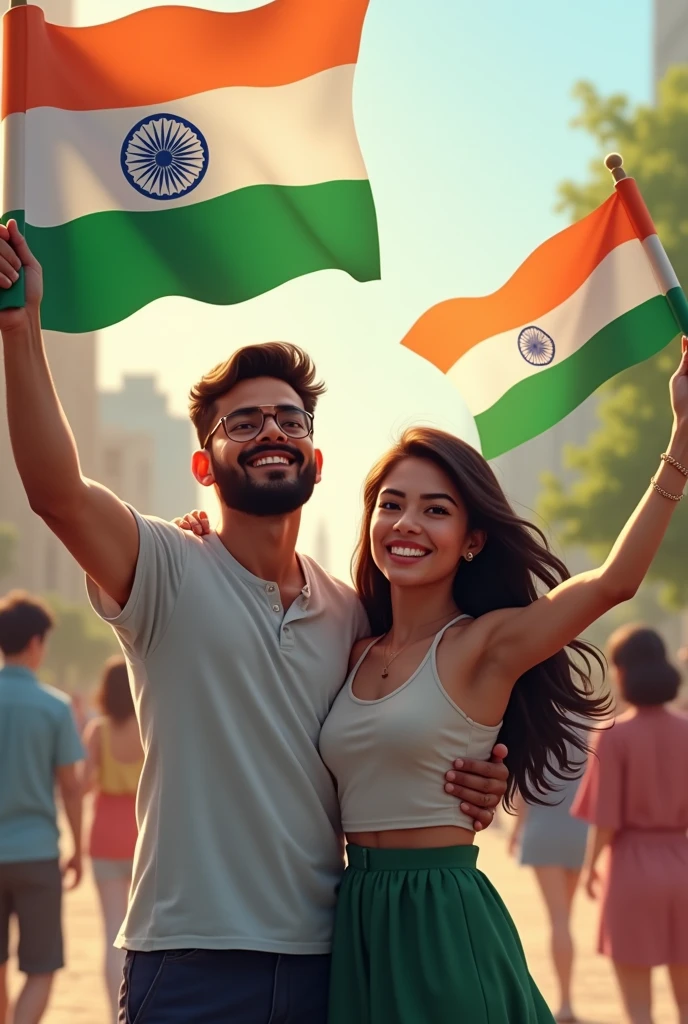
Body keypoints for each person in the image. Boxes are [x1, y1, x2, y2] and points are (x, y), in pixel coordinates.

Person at [0, 221, 507, 1023]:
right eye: (243, 422)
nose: (272, 428)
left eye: (290, 419)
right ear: (204, 464)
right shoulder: (162, 569)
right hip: (187, 960)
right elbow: (57, 491)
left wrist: (479, 775)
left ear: (316, 459)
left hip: (330, 960)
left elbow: (410, 723)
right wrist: (19, 327)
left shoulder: (353, 615)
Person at [314, 351, 688, 1023]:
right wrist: (205, 535)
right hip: (355, 918)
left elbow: (612, 583)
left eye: (435, 511)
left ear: (472, 541)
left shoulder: (485, 646)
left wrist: (681, 443)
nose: (406, 525)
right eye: (391, 504)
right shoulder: (351, 643)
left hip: (442, 917)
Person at [572, 625, 688, 1024]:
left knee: (639, 1012)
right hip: (683, 864)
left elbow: (604, 819)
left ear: (620, 671)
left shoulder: (613, 735)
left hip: (631, 871)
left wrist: (589, 870)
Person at [0, 591, 84, 1024]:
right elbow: (71, 787)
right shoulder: (54, 707)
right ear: (36, 642)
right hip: (36, 855)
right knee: (41, 966)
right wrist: (78, 849)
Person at [508, 742, 588, 1023]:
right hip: (581, 834)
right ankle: (568, 1000)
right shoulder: (590, 735)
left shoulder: (536, 736)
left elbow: (521, 795)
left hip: (543, 833)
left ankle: (565, 1002)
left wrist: (515, 832)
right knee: (566, 916)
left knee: (558, 919)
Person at [83, 656, 143, 1022]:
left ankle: (112, 1013)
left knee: (111, 931)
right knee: (140, 932)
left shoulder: (98, 732)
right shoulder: (146, 727)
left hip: (103, 838)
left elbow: (84, 782)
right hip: (142, 836)